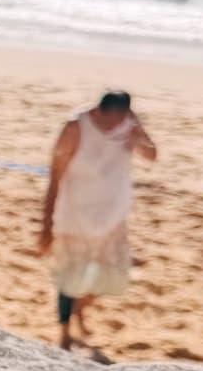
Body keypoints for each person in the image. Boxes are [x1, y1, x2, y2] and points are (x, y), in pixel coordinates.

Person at [38, 91, 158, 352]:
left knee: (114, 276)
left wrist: (139, 138)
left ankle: (80, 308)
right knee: (68, 278)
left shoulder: (129, 125)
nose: (114, 127)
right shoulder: (75, 128)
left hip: (113, 216)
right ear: (99, 111)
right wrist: (46, 225)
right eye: (110, 121)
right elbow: (55, 176)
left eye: (121, 120)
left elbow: (151, 156)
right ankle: (64, 332)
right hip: (75, 216)